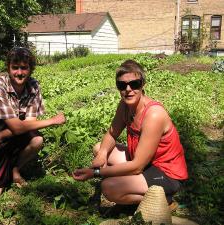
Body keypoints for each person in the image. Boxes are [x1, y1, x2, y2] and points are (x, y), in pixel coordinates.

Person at [73, 59, 188, 206]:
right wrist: (102, 155)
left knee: (109, 188)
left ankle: (165, 200)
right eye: (122, 85)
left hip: (166, 172)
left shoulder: (153, 115)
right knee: (99, 148)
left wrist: (95, 173)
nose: (128, 89)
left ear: (142, 85)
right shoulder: (125, 105)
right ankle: (133, 182)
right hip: (144, 161)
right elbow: (112, 133)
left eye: (134, 84)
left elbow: (137, 166)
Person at [0, 47, 66, 197]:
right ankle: (4, 170)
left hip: (7, 138)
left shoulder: (33, 86)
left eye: (24, 68)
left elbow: (28, 124)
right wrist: (52, 121)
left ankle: (15, 167)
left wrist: (1, 135)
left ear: (31, 69)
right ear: (8, 68)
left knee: (37, 139)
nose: (20, 73)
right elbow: (17, 127)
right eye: (15, 68)